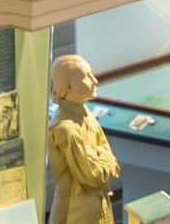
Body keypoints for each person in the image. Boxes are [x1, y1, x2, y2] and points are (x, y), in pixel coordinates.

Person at [46, 53, 120, 224]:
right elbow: (93, 176)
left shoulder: (85, 114)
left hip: (97, 207)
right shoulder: (66, 129)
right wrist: (104, 160)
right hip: (78, 214)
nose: (95, 81)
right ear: (68, 87)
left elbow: (109, 157)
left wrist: (101, 158)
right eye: (87, 76)